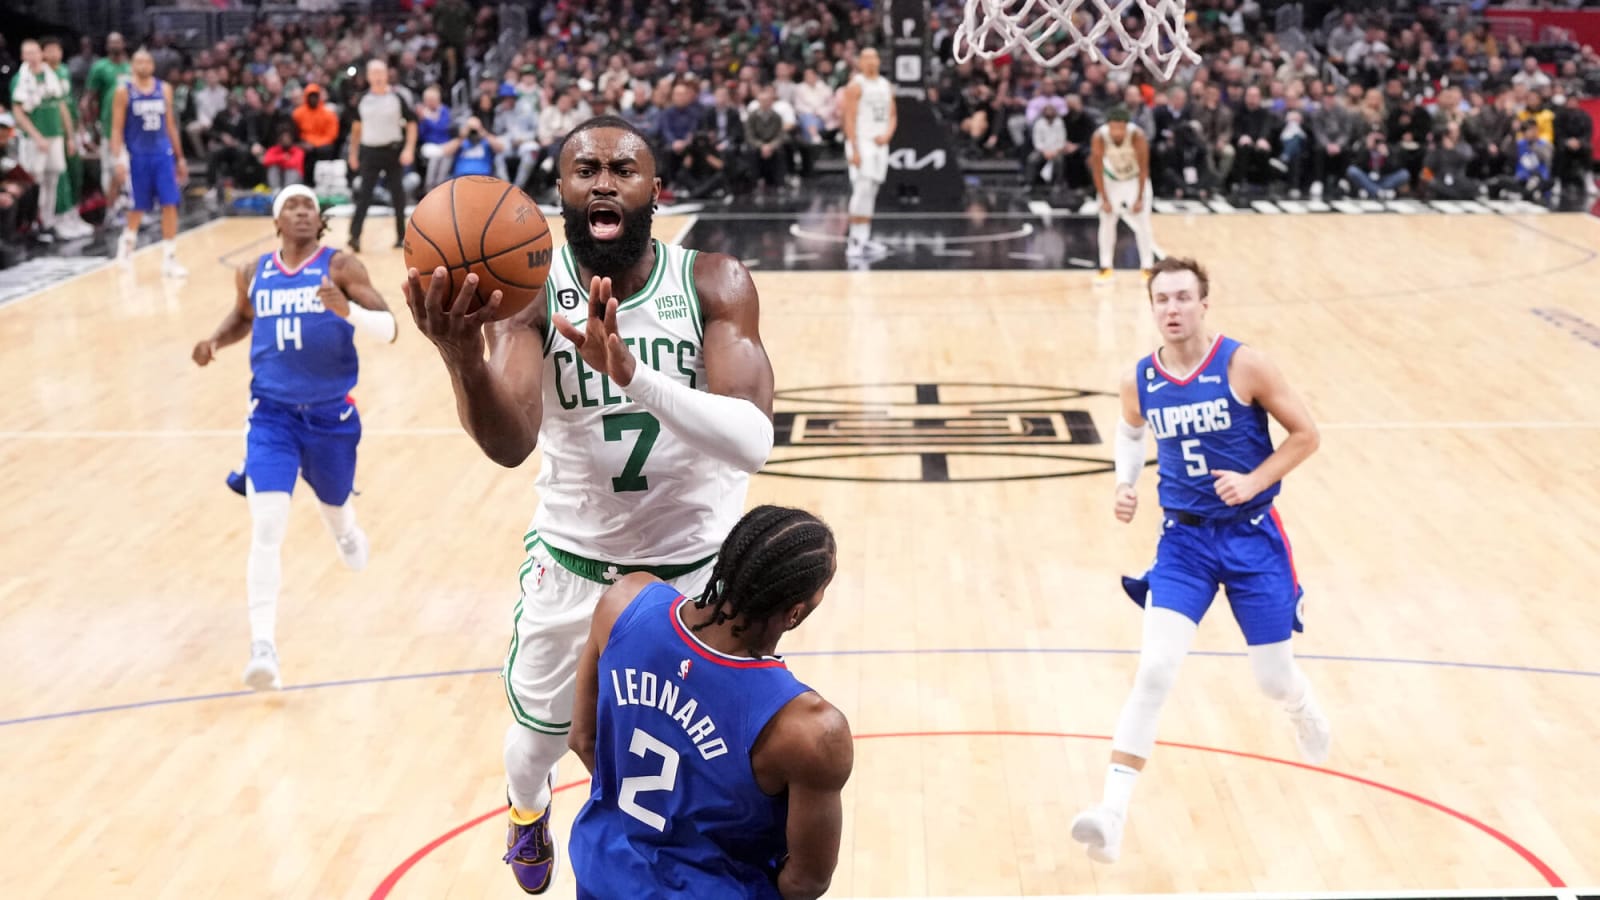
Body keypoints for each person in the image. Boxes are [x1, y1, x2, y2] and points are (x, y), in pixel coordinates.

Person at [403, 114, 775, 894]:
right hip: (577, 563)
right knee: (536, 747)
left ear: (654, 192)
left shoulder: (714, 281)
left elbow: (752, 441)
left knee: (695, 756)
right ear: (562, 194)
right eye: (585, 170)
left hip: (692, 573)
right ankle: (526, 807)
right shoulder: (529, 297)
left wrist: (634, 374)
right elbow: (509, 442)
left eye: (622, 168)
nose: (604, 180)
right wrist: (459, 358)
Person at [1070, 257, 1331, 864]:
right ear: (1153, 307)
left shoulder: (1246, 365)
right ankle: (1110, 813)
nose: (1172, 309)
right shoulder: (1140, 377)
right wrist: (1125, 483)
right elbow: (1130, 430)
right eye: (1162, 299)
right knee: (1155, 671)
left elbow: (1306, 434)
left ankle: (1301, 707)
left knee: (1271, 679)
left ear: (1204, 304)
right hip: (1183, 543)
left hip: (1252, 537)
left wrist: (1254, 478)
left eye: (1184, 298)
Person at [567, 505, 853, 900]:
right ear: (795, 613)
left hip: (604, 875)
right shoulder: (808, 729)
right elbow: (806, 881)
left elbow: (582, 739)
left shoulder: (624, 603)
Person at [191, 185, 398, 690]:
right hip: (271, 417)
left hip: (331, 418)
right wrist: (215, 340)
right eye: (293, 206)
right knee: (267, 526)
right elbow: (244, 317)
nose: (303, 212)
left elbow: (390, 328)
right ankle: (263, 644)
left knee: (335, 505)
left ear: (318, 219)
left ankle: (345, 527)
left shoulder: (341, 267)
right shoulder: (252, 272)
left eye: (310, 206)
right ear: (277, 219)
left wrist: (347, 311)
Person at [109, 49, 187, 277]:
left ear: (153, 65)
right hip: (137, 156)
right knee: (138, 205)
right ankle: (127, 242)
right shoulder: (124, 91)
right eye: (138, 61)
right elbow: (116, 128)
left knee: (170, 203)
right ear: (132, 65)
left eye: (147, 61)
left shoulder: (164, 89)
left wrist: (180, 157)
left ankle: (170, 258)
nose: (143, 64)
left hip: (162, 154)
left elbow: (170, 124)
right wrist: (119, 158)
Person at [346, 59, 416, 254]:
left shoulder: (397, 98)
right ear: (368, 76)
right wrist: (353, 153)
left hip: (393, 151)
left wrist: (408, 149)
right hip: (370, 151)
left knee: (398, 196)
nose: (377, 77)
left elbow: (411, 123)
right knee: (364, 195)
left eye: (380, 72)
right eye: (373, 73)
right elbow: (356, 129)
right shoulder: (362, 100)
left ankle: (402, 237)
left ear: (387, 75)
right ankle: (354, 236)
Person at [9, 39, 73, 241]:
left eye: (35, 52)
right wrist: (37, 137)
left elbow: (61, 107)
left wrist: (70, 136)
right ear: (22, 57)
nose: (32, 57)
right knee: (34, 181)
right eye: (27, 53)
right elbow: (18, 113)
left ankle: (48, 222)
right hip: (34, 139)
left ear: (41, 54)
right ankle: (31, 224)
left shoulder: (51, 76)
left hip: (55, 135)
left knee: (52, 178)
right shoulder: (20, 79)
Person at [1090, 105, 1157, 285]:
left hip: (1134, 179)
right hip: (1111, 179)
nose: (1117, 132)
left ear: (1127, 126)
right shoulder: (1099, 137)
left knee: (1143, 222)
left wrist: (1140, 197)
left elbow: (1144, 168)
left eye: (1120, 127)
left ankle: (1147, 267)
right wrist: (1104, 198)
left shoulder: (1137, 136)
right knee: (1107, 221)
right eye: (1113, 127)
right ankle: (1105, 267)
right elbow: (1097, 169)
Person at [840, 47, 896, 260]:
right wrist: (854, 148)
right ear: (860, 63)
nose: (871, 61)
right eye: (867, 58)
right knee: (861, 190)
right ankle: (853, 240)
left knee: (872, 190)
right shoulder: (856, 86)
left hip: (880, 144)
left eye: (874, 57)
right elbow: (849, 119)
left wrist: (888, 134)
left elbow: (892, 115)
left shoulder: (884, 85)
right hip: (862, 142)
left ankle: (864, 238)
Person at [85, 33, 131, 220]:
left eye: (118, 41)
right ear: (106, 46)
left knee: (129, 168)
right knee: (112, 169)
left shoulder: (132, 67)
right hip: (109, 125)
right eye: (111, 42)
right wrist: (91, 127)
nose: (115, 45)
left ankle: (128, 205)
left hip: (132, 127)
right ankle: (112, 208)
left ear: (124, 44)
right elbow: (89, 98)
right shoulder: (100, 67)